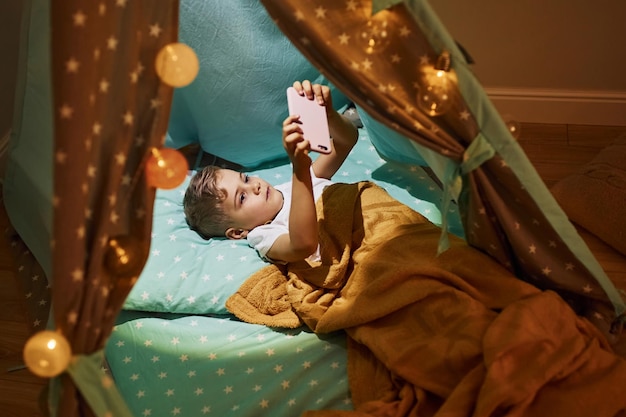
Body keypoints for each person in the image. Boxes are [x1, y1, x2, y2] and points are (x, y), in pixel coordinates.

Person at [183, 80, 358, 263]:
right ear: (237, 232)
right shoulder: (264, 235)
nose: (255, 186)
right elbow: (303, 246)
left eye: (247, 179)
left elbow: (347, 141)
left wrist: (328, 115)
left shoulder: (295, 185)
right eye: (242, 197)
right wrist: (300, 169)